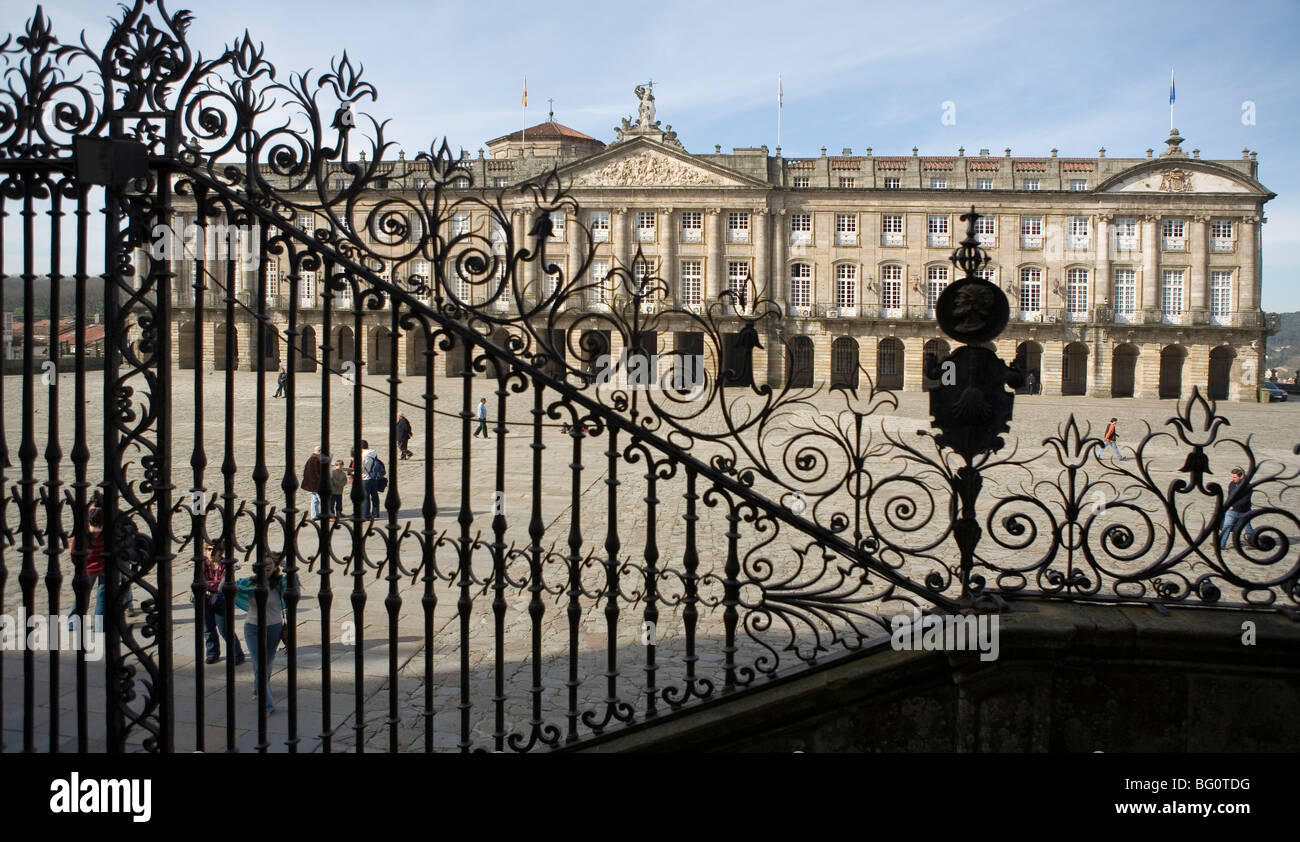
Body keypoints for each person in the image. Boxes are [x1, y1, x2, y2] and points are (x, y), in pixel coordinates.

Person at [237, 552, 286, 713]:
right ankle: (268, 703)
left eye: (270, 563)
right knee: (259, 663)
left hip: (274, 627)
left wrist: (287, 567)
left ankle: (259, 687)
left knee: (268, 661)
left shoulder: (279, 583)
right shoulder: (250, 583)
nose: (268, 566)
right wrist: (229, 570)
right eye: (264, 564)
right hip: (252, 627)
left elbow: (295, 586)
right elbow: (224, 587)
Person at [202, 539, 245, 665]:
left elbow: (223, 585)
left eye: (213, 550)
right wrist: (210, 585)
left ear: (220, 551)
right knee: (208, 628)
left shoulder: (226, 564)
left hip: (222, 600)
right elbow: (199, 582)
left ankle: (237, 654)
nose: (210, 552)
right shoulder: (202, 563)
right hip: (205, 599)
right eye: (208, 549)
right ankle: (212, 653)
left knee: (225, 629)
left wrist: (208, 585)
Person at [1220, 466, 1257, 550]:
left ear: (1241, 476)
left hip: (1244, 511)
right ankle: (1221, 544)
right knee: (1226, 526)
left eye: (1235, 477)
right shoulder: (1232, 484)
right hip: (1232, 511)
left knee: (1247, 527)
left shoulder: (1247, 486)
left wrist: (1234, 506)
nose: (1233, 479)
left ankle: (1253, 543)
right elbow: (1230, 496)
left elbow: (1246, 499)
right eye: (1232, 477)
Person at [358, 440, 381, 520]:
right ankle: (376, 512)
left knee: (365, 497)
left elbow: (361, 469)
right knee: (374, 495)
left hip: (365, 478)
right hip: (374, 477)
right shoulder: (373, 453)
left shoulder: (363, 456)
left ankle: (366, 514)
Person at [301, 445, 322, 519]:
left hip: (312, 483)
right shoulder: (315, 459)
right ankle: (325, 515)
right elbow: (317, 473)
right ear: (319, 451)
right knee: (322, 498)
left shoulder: (312, 458)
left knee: (314, 499)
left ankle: (314, 515)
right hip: (316, 483)